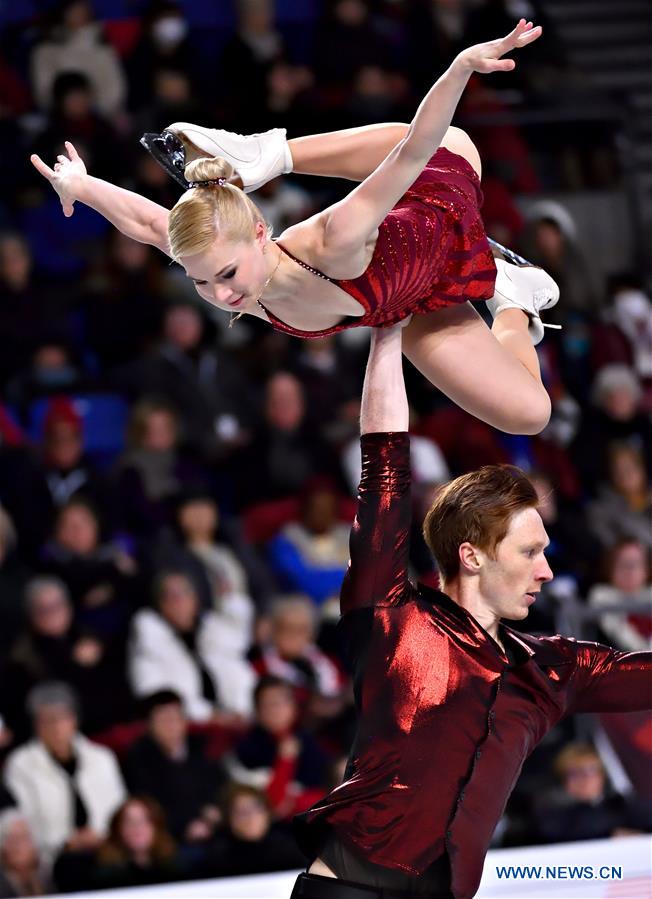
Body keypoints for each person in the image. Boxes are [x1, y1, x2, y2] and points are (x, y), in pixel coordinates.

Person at [33, 21, 558, 437]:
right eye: (200, 283)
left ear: (261, 234)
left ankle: (273, 154)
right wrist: (80, 185)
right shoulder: (230, 271)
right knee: (529, 414)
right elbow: (147, 222)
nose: (220, 294)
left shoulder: (332, 241)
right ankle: (512, 292)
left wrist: (460, 67)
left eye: (226, 273)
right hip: (411, 294)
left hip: (438, 188)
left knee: (451, 149)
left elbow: (415, 149)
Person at [287, 323, 652, 899]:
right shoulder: (392, 618)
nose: (547, 571)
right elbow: (383, 464)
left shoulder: (553, 669)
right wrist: (388, 331)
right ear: (472, 556)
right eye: (530, 553)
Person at [3, 682, 126, 858]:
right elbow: (21, 822)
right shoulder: (20, 765)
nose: (56, 727)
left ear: (74, 720)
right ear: (36, 725)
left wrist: (100, 836)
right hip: (51, 858)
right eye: (47, 720)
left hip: (107, 850)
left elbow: (119, 808)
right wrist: (66, 842)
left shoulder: (102, 758)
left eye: (62, 718)